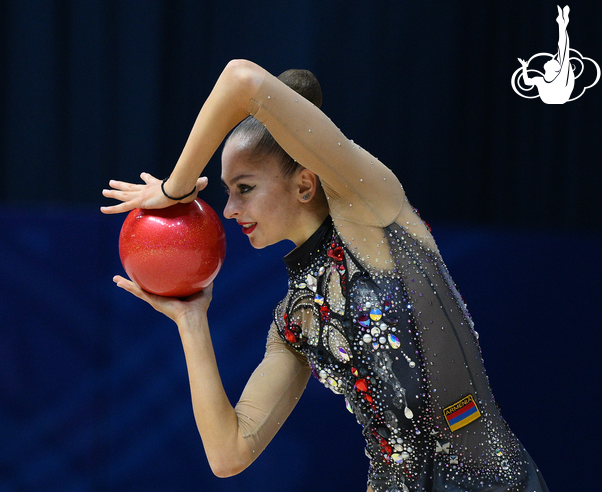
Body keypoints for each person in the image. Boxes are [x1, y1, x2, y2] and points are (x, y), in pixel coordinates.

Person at [101, 59, 548, 492]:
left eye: (245, 188)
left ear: (304, 184)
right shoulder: (294, 320)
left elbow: (242, 79)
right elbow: (228, 454)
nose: (230, 209)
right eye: (228, 192)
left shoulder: (372, 211)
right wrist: (191, 319)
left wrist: (173, 188)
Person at [518, 5, 573, 104]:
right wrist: (524, 67)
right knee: (563, 51)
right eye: (553, 60)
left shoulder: (550, 79)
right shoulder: (543, 79)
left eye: (552, 61)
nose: (551, 59)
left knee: (563, 50)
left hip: (557, 96)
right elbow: (527, 82)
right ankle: (562, 24)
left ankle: (562, 24)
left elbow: (527, 82)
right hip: (557, 96)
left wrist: (524, 68)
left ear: (555, 69)